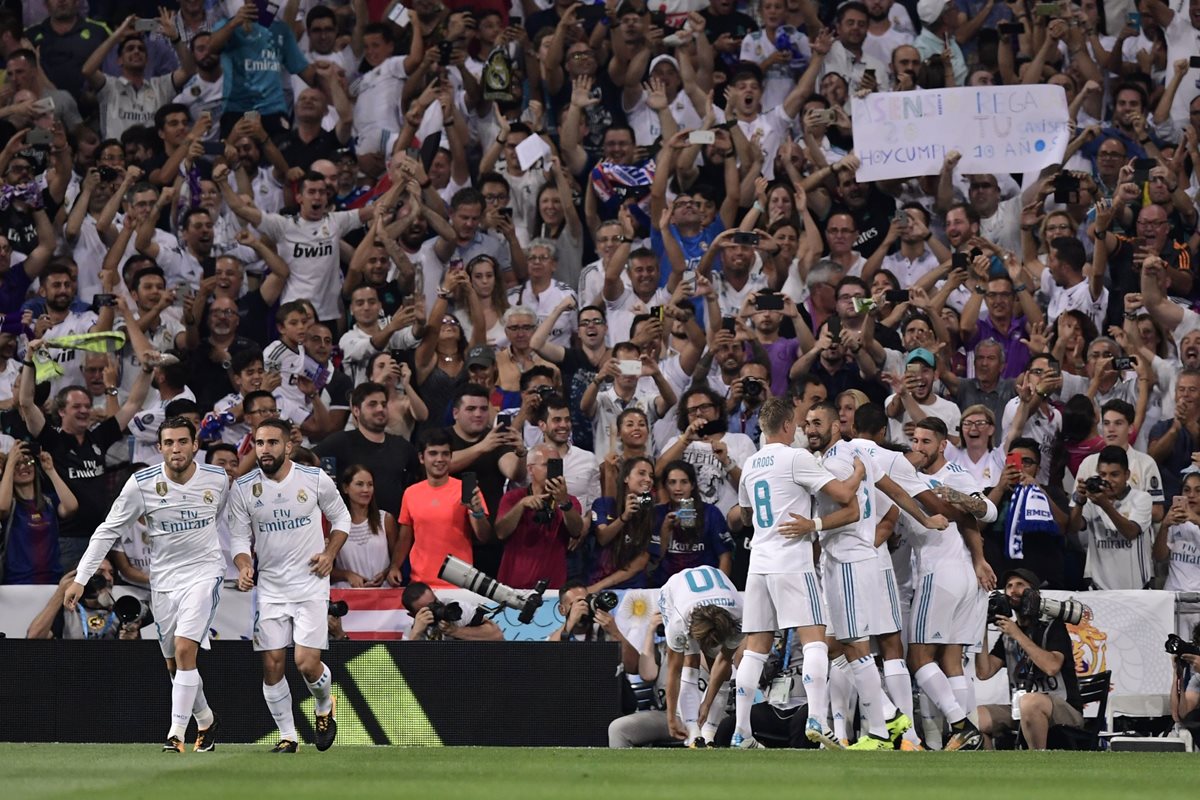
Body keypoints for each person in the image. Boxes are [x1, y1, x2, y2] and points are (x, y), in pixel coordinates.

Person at [63, 417, 226, 753]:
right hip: (163, 580)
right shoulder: (142, 483)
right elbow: (108, 529)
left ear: (196, 445)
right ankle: (206, 720)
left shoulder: (218, 479)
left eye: (183, 441)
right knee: (173, 661)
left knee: (184, 649)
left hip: (204, 573)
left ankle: (176, 734)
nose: (176, 449)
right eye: (169, 443)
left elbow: (226, 520)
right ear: (160, 447)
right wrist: (81, 578)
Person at [732, 397, 866, 750]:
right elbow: (843, 493)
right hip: (792, 560)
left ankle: (741, 731)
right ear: (789, 425)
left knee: (755, 650)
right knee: (815, 640)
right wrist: (858, 473)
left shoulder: (749, 465)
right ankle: (817, 719)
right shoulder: (796, 457)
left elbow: (746, 516)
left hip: (758, 562)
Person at [229, 417, 353, 753]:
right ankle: (288, 736)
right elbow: (239, 538)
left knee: (306, 663)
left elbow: (342, 518)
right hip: (269, 586)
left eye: (272, 443)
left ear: (288, 446)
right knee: (271, 664)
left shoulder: (314, 480)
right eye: (259, 443)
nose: (264, 450)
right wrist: (243, 565)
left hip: (310, 582)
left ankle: (325, 706)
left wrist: (329, 553)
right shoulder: (243, 489)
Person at [19, 338, 156, 571]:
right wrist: (29, 360)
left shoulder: (99, 437)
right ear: (61, 411)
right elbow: (25, 402)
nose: (84, 410)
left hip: (102, 537)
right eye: (76, 407)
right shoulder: (53, 439)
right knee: (72, 599)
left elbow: (133, 403)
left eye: (87, 406)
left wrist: (146, 369)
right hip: (68, 538)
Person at [975, 568, 1085, 750]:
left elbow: (1051, 667)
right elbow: (984, 672)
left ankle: (1036, 763)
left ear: (1034, 593)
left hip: (1063, 708)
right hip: (1021, 708)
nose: (1012, 590)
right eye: (1009, 586)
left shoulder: (1052, 626)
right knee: (976, 719)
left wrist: (1017, 634)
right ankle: (995, 772)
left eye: (1020, 585)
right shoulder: (1008, 633)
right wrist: (982, 628)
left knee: (1030, 702)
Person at [390, 429, 492, 588]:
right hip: (421, 584)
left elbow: (484, 536)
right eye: (433, 453)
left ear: (451, 457)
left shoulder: (466, 490)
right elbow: (405, 538)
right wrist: (395, 566)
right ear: (421, 458)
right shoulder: (410, 493)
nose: (440, 459)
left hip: (460, 583)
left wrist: (478, 512)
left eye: (445, 454)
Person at [659, 565, 744, 745]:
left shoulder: (740, 618)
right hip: (675, 593)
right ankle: (693, 732)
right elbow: (674, 671)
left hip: (718, 602)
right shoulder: (679, 622)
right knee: (691, 658)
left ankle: (709, 734)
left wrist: (707, 702)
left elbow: (724, 661)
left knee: (720, 667)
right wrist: (671, 717)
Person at [314, 382, 420, 522]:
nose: (380, 409)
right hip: (351, 531)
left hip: (395, 530)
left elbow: (418, 484)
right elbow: (306, 461)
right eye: (372, 404)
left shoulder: (402, 446)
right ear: (356, 411)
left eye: (383, 404)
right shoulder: (340, 442)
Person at [495, 443, 584, 589]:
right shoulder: (513, 498)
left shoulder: (569, 501)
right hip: (512, 587)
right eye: (546, 465)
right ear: (530, 469)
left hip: (552, 588)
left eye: (556, 465)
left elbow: (576, 531)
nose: (552, 471)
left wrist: (564, 503)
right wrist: (521, 506)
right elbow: (500, 533)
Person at [1067, 445, 1153, 591]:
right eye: (1103, 474)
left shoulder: (1141, 498)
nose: (1107, 480)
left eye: (1114, 475)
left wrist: (1105, 505)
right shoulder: (1092, 500)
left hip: (1136, 591)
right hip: (1099, 590)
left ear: (1127, 475)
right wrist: (1079, 502)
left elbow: (1130, 532)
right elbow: (1074, 527)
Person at [0, 441, 77, 585]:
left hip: (52, 580)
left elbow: (71, 507)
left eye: (28, 462)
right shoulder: (9, 504)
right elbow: (2, 509)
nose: (23, 467)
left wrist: (50, 470)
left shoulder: (48, 501)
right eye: (18, 463)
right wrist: (9, 463)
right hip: (17, 583)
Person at [333, 465, 398, 589]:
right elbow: (325, 566)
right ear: (346, 488)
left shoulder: (385, 519)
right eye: (359, 484)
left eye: (370, 484)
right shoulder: (335, 523)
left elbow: (397, 561)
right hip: (347, 595)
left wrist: (385, 573)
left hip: (382, 596)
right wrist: (347, 575)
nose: (366, 489)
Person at [401, 580, 505, 641]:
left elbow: (496, 635)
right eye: (427, 610)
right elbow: (403, 668)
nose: (436, 609)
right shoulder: (412, 629)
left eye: (435, 602)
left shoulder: (455, 609)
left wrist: (455, 631)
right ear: (413, 615)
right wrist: (416, 634)